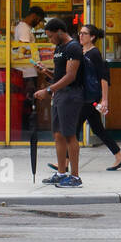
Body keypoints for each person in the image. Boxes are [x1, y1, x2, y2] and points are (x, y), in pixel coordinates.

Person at [34, 18, 84, 188]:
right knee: (58, 134)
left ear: (60, 32)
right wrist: (46, 72)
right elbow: (60, 75)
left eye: (50, 36)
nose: (50, 40)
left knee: (70, 134)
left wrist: (48, 90)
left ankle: (75, 177)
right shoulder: (59, 48)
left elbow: (71, 76)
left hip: (71, 95)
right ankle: (61, 173)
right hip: (60, 94)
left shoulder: (73, 47)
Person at [76, 25, 121, 171]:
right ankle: (119, 156)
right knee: (98, 129)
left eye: (84, 34)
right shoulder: (81, 51)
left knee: (74, 127)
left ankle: (65, 162)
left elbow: (103, 77)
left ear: (92, 37)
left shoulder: (94, 54)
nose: (80, 36)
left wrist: (104, 100)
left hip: (90, 97)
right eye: (80, 33)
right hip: (84, 95)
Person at [13, 5, 45, 129]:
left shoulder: (24, 28)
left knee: (30, 98)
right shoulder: (23, 29)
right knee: (29, 99)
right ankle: (29, 126)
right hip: (27, 71)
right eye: (38, 19)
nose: (38, 23)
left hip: (29, 70)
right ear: (33, 16)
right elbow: (25, 49)